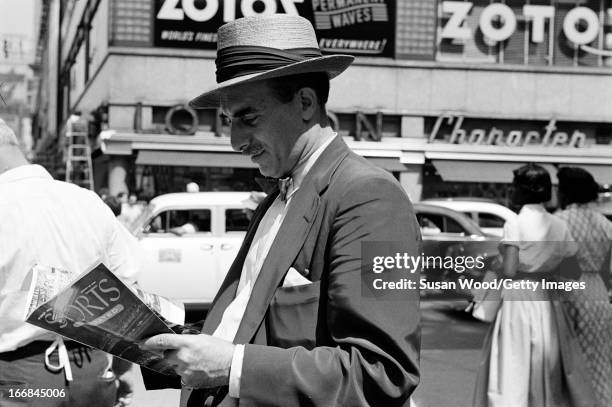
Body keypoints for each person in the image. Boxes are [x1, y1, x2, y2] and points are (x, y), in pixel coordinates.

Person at [141, 14, 421, 407]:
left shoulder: (372, 198)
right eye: (227, 121)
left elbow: (382, 372)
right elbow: (251, 323)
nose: (235, 141)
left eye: (247, 117)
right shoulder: (280, 194)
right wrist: (155, 343)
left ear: (305, 102)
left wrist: (231, 366)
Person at [0, 118, 142, 407]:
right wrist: (116, 371)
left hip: (21, 380)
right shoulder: (88, 201)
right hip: (93, 373)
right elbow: (130, 295)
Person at [473, 164, 589, 407]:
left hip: (518, 300)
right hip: (547, 301)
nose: (511, 191)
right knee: (545, 367)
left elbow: (510, 270)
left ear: (526, 190)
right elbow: (573, 272)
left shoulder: (514, 223)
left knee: (512, 365)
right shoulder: (559, 225)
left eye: (514, 186)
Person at [555, 167, 612, 407]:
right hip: (597, 292)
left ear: (566, 193)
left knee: (568, 363)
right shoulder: (605, 224)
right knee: (599, 361)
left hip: (566, 292)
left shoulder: (558, 221)